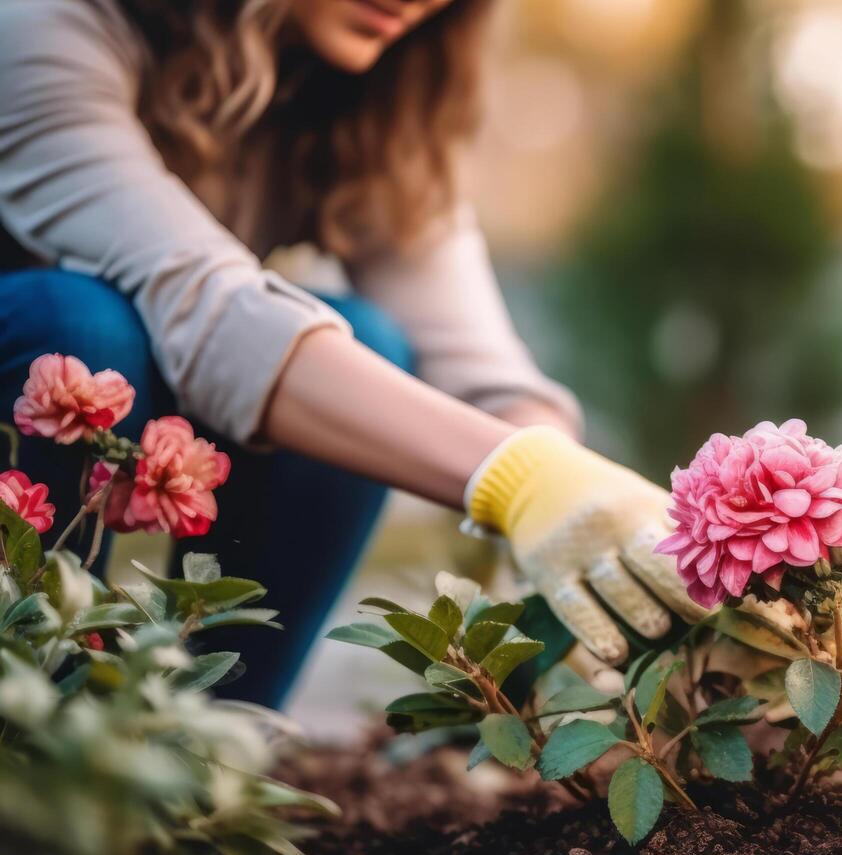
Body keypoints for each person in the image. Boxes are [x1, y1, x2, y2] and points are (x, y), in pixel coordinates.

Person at [0, 0, 703, 707]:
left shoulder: (369, 90)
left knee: (370, 343)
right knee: (78, 329)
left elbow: (476, 365)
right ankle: (38, 740)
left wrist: (588, 499)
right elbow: (203, 305)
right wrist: (518, 479)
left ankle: (208, 750)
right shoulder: (44, 25)